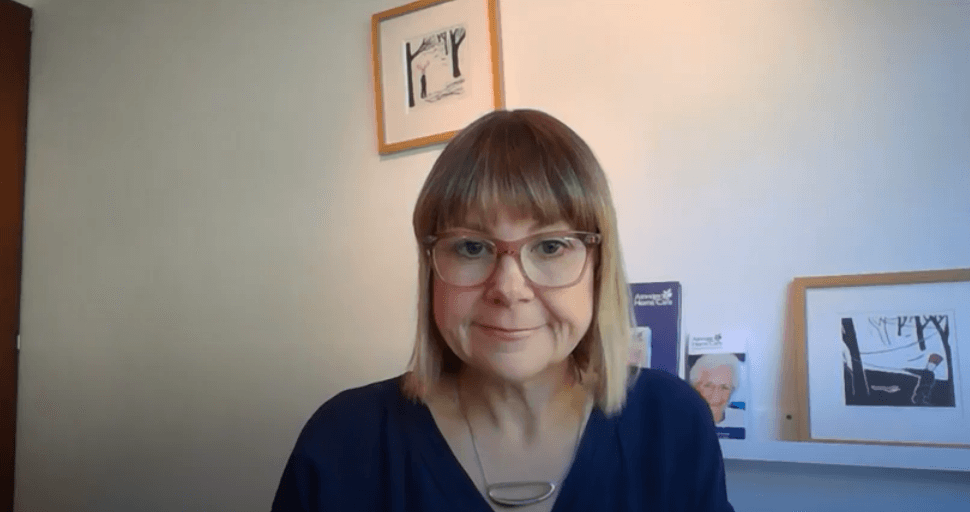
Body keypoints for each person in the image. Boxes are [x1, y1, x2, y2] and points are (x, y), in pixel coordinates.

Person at [271, 109, 734, 511]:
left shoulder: (673, 424)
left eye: (550, 246)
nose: (509, 289)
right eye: (471, 247)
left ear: (599, 265)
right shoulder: (343, 443)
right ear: (431, 268)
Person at [689, 354, 742, 425]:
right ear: (695, 387)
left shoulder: (742, 420)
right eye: (708, 386)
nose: (716, 396)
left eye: (724, 387)